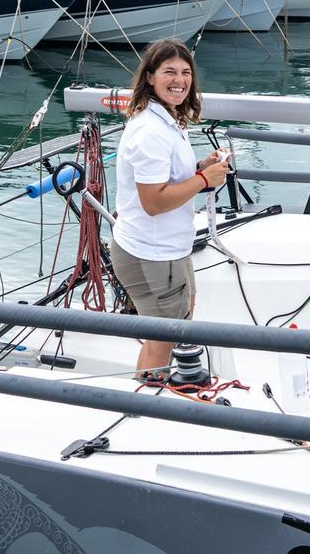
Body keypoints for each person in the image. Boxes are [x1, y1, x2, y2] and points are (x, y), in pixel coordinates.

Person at [109, 39, 229, 379]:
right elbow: (154, 202)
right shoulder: (151, 132)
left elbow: (165, 181)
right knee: (166, 338)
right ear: (149, 77)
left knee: (168, 327)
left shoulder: (165, 121)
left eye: (186, 72)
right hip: (154, 253)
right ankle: (146, 404)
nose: (179, 80)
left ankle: (147, 394)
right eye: (169, 72)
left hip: (162, 249)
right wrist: (204, 179)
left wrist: (197, 169)